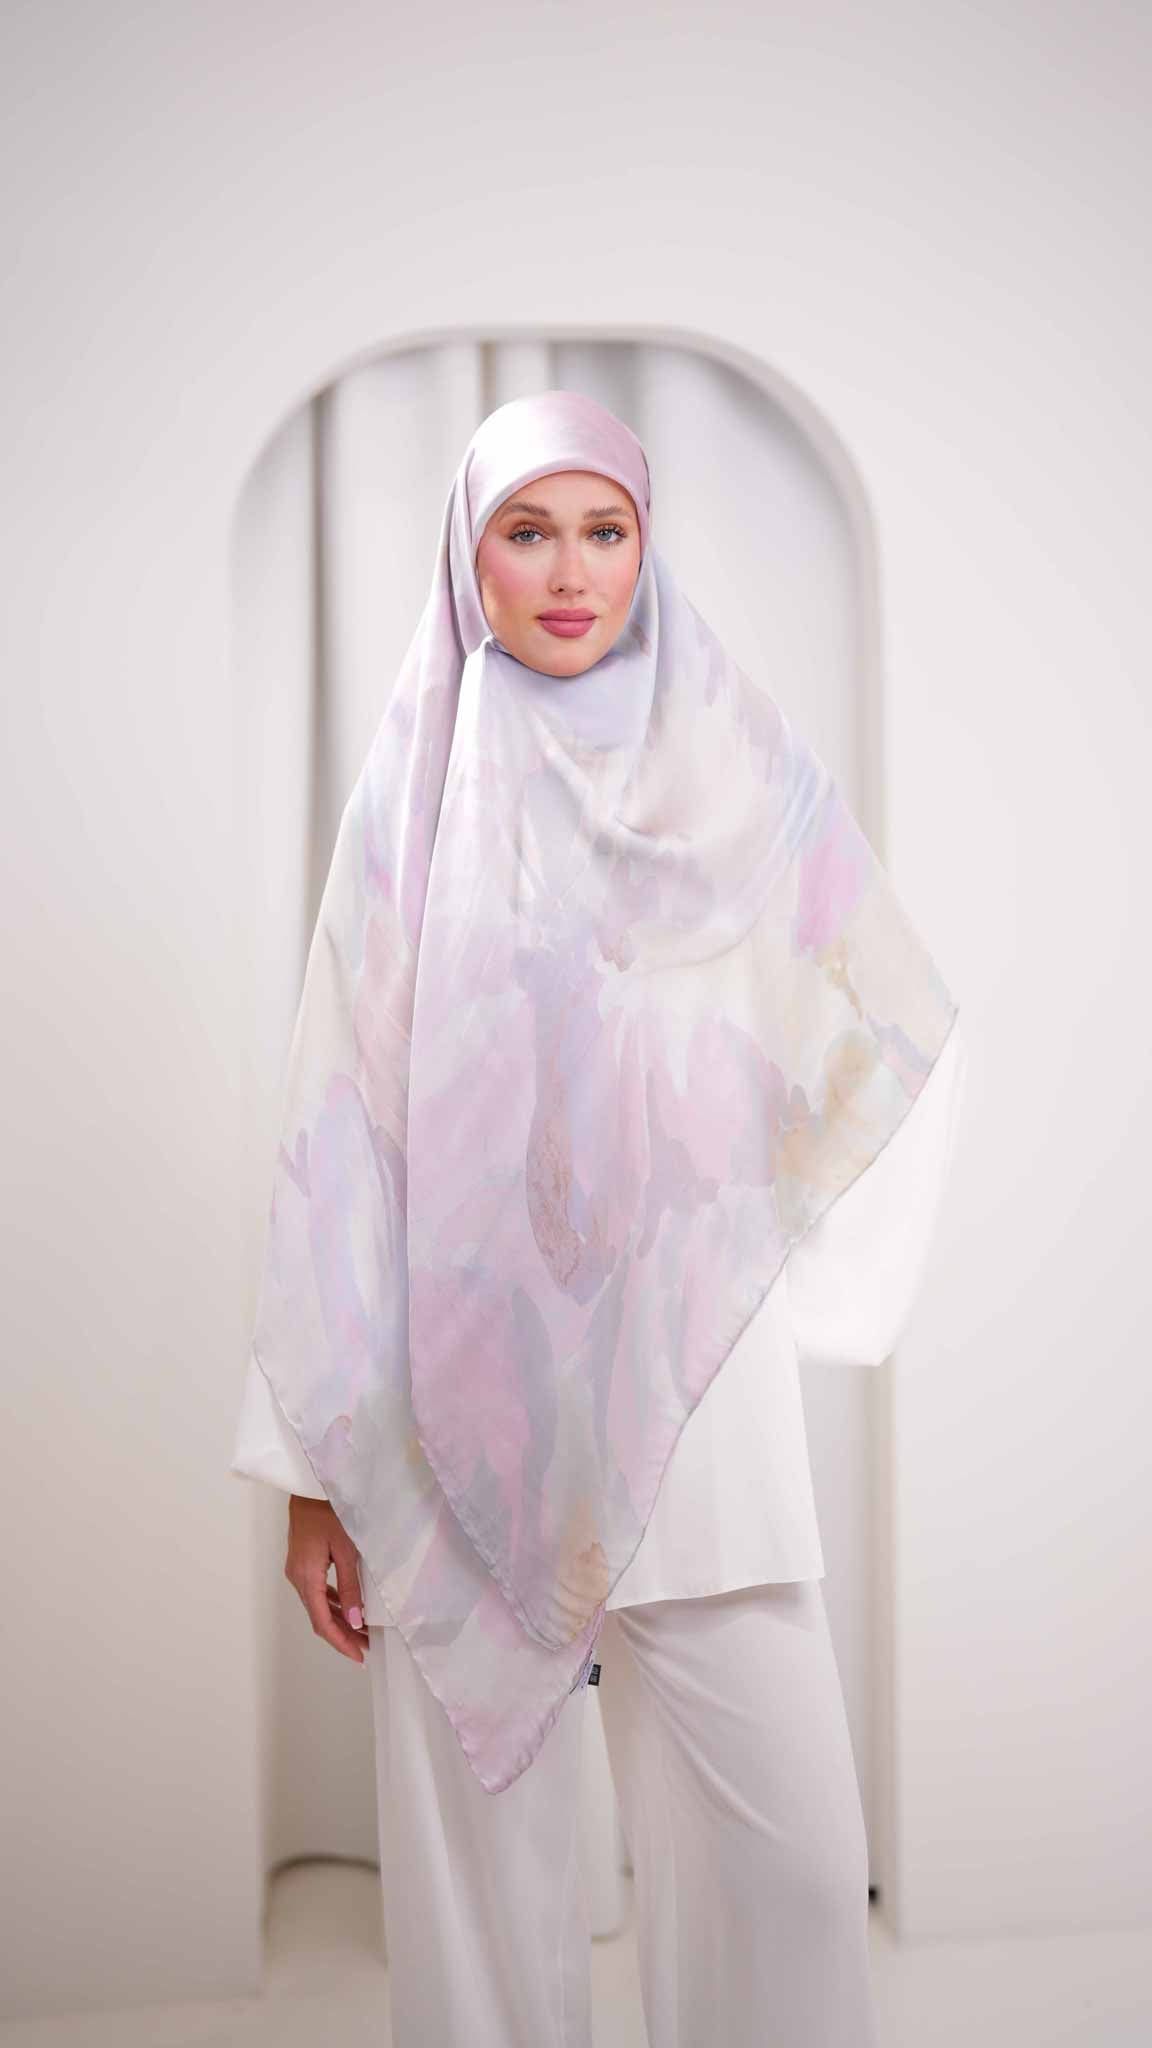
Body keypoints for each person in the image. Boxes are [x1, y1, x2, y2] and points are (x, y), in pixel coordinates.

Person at [232, 390, 967, 2046]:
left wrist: (770, 1249)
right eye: (528, 532)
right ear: (469, 558)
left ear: (646, 548)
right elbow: (333, 1133)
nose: (570, 572)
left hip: (685, 1397)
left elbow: (880, 1018)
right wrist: (309, 1476)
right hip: (445, 1406)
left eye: (604, 530)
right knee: (474, 1896)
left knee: (793, 1864)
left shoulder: (731, 767)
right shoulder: (410, 795)